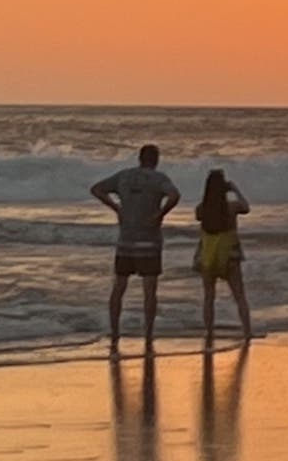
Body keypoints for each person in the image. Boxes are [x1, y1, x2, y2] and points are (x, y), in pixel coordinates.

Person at [92, 144, 182, 352]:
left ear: (140, 158)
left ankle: (115, 333)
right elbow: (174, 195)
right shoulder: (159, 179)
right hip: (149, 242)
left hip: (126, 241)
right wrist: (160, 214)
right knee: (149, 291)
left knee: (119, 288)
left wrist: (117, 208)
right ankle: (148, 335)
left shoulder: (124, 176)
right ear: (156, 159)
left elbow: (97, 189)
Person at [193, 168, 253, 349]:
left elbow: (199, 216)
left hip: (208, 255)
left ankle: (209, 331)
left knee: (209, 297)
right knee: (239, 296)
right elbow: (246, 207)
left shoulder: (201, 209)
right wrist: (234, 189)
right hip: (229, 256)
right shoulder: (231, 207)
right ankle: (247, 331)